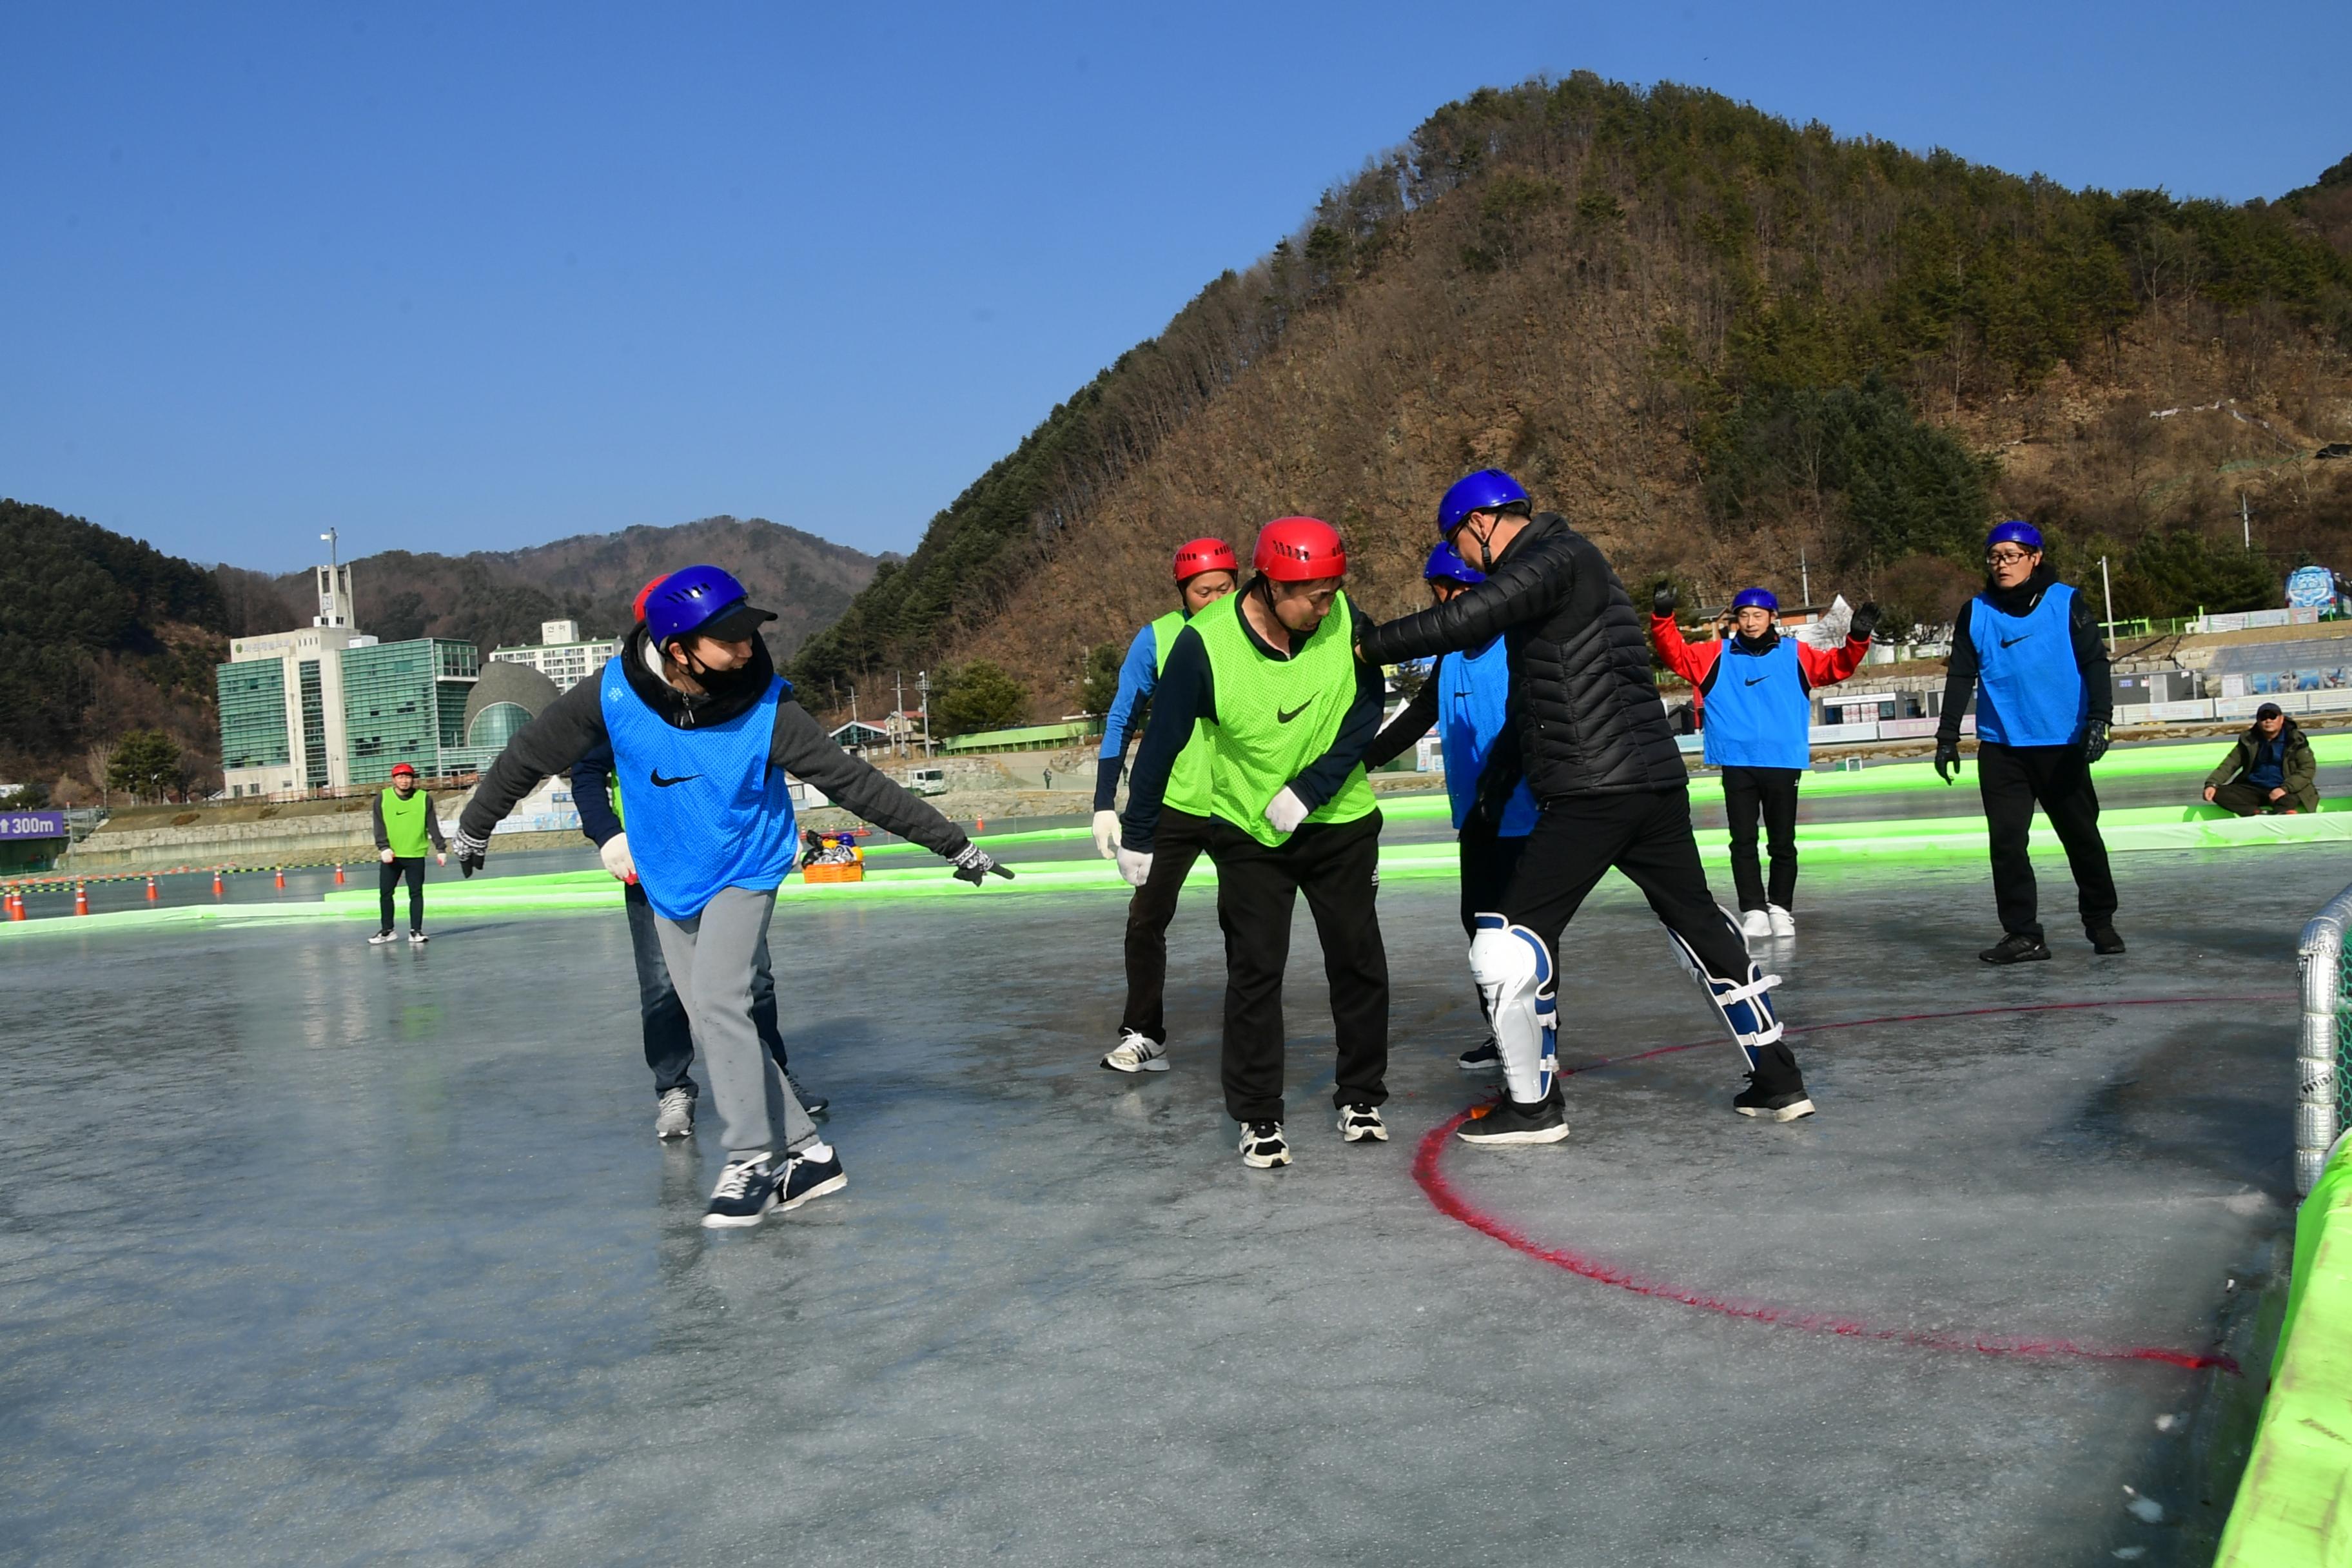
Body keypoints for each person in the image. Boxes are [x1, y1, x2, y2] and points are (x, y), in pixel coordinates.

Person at [452, 565, 1013, 1228]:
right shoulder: (611, 695)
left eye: (749, 632)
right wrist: (473, 823)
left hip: (747, 865)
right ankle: (809, 1154)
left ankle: (753, 1157)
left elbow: (856, 784)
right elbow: (527, 753)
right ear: (679, 646)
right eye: (729, 637)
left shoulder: (769, 708)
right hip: (668, 878)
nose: (747, 646)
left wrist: (953, 843)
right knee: (719, 1021)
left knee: (720, 1000)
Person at [1358, 469, 1816, 1142]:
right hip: (1648, 783)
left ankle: (1533, 1107)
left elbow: (1464, 617)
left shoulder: (1556, 557)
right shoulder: (1564, 571)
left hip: (1594, 789)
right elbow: (1531, 704)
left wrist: (1365, 645)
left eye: (1459, 537)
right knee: (1699, 926)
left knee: (1507, 943)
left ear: (1480, 522)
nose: (1463, 553)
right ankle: (1779, 1079)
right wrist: (1496, 781)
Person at [1117, 517, 1389, 1167]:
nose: (1327, 606)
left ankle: (1360, 1093)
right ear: (1270, 585)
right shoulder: (1203, 646)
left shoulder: (1346, 620)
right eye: (1313, 596)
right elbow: (1162, 740)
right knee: (1255, 972)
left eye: (1333, 591)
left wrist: (1313, 787)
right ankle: (1258, 1114)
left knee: (1357, 960)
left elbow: (1367, 710)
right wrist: (1138, 830)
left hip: (1340, 818)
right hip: (1248, 829)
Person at [574, 739, 829, 1140]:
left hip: (728, 858)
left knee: (752, 979)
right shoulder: (626, 702)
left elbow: (760, 762)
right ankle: (674, 1088)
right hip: (653, 864)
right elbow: (586, 771)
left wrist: (779, 827)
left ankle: (773, 1081)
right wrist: (608, 834)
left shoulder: (721, 700)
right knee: (662, 985)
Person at [1362, 540, 1540, 1071]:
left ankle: (1534, 1036)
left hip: (1521, 814)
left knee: (1517, 935)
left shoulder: (1516, 645)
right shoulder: (1449, 655)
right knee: (1479, 925)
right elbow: (1419, 715)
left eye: (1446, 593)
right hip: (1475, 817)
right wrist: (1362, 759)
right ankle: (1502, 1031)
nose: (1443, 605)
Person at [1933, 520, 2122, 964]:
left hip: (2062, 742)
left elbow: (2095, 661)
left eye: (2011, 555)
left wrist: (2100, 719)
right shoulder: (1975, 611)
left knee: (2081, 837)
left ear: (2035, 558)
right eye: (1994, 556)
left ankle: (2100, 920)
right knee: (2007, 843)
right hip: (2002, 747)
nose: (2001, 564)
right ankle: (2024, 934)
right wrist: (1947, 737)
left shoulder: (2065, 601)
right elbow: (1961, 674)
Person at [1090, 537, 1241, 1073]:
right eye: (1204, 592)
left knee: (1245, 922)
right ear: (1184, 592)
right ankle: (1144, 1033)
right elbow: (1121, 716)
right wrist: (1105, 801)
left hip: (1240, 802)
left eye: (1226, 588)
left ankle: (1247, 1032)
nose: (1217, 599)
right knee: (1145, 919)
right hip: (1170, 804)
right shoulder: (1157, 637)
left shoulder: (1256, 630)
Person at [1649, 585, 1876, 938]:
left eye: (1758, 615)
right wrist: (1663, 617)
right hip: (1737, 761)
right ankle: (1753, 907)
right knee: (1742, 840)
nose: (1751, 622)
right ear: (1735, 620)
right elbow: (1673, 653)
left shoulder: (1796, 654)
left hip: (1782, 761)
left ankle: (1781, 908)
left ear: (1773, 618)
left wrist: (1858, 637)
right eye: (1744, 616)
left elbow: (1838, 666)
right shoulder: (1715, 655)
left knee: (1782, 842)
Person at [369, 761, 447, 945]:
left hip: (415, 853)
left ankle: (416, 931)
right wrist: (383, 847)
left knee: (416, 893)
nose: (404, 781)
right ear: (394, 779)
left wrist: (441, 848)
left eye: (408, 777)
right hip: (392, 855)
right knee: (386, 893)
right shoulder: (383, 798)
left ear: (413, 779)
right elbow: (378, 824)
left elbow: (432, 824)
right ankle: (388, 930)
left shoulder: (423, 798)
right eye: (400, 777)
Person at [2204, 702, 2318, 815]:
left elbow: (2308, 769)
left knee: (2290, 800)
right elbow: (2229, 764)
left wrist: (2285, 789)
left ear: (2281, 719)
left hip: (2284, 789)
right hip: (2253, 788)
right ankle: (2256, 813)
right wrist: (2212, 784)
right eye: (2264, 717)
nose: (2268, 721)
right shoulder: (2249, 740)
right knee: (2220, 794)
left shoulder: (2296, 740)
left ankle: (2282, 814)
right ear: (2258, 721)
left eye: (2273, 717)